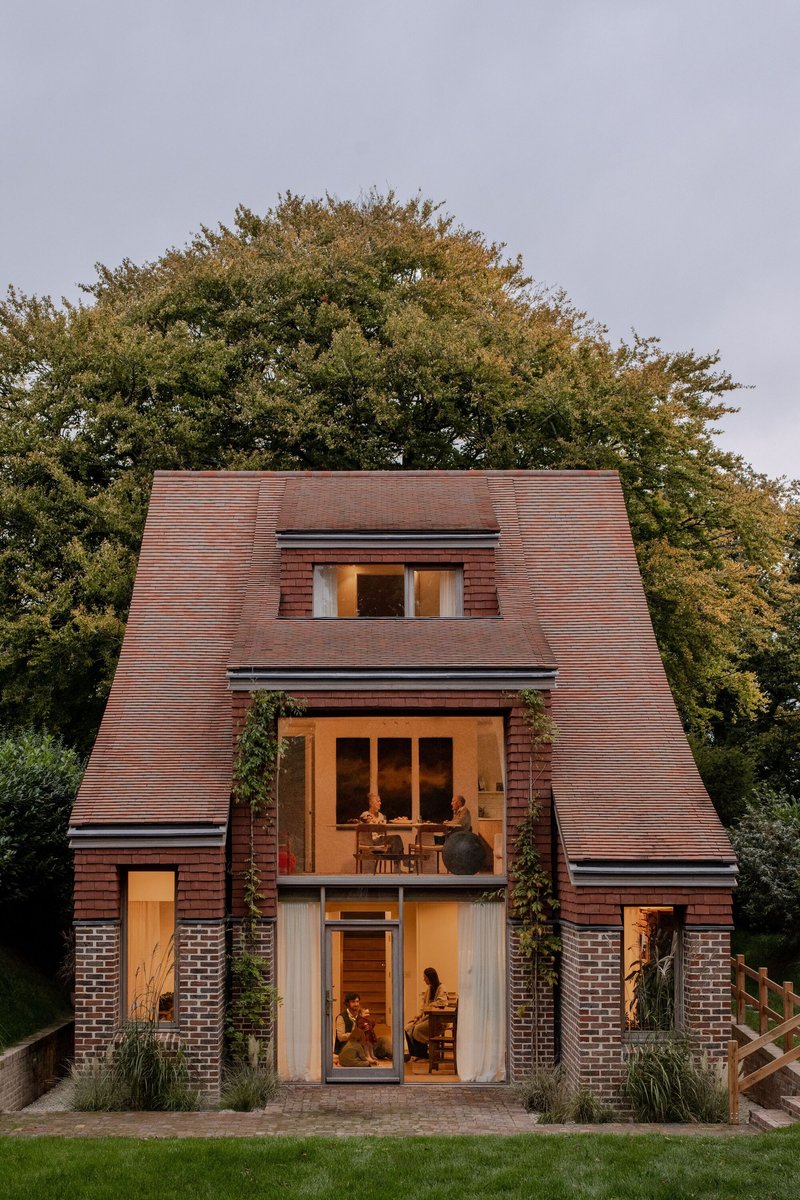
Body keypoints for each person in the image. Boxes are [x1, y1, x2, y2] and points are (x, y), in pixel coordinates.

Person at [405, 967, 448, 1060]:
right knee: (408, 1028)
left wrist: (430, 1006)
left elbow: (442, 1003)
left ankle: (423, 1054)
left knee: (417, 1029)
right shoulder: (429, 988)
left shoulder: (441, 988)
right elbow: (424, 1005)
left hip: (438, 1020)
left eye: (425, 977)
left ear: (430, 977)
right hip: (428, 1018)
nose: (424, 979)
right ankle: (415, 1053)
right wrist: (418, 1016)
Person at [359, 791, 404, 866]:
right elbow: (364, 819)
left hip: (380, 839)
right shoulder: (366, 814)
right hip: (371, 841)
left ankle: (398, 865)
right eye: (378, 801)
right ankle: (399, 865)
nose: (380, 803)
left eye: (380, 801)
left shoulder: (381, 815)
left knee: (396, 841)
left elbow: (383, 830)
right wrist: (375, 821)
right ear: (371, 803)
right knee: (396, 839)